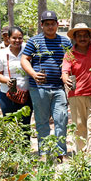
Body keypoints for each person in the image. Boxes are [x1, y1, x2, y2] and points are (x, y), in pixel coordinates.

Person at [21, 10, 72, 157]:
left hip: (59, 88)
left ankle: (60, 153)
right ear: (42, 25)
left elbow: (70, 61)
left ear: (57, 24)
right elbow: (24, 59)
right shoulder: (34, 41)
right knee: (42, 122)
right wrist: (33, 74)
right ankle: (44, 153)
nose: (50, 27)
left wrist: (66, 75)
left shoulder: (65, 42)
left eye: (53, 24)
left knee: (61, 120)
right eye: (47, 24)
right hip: (39, 88)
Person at [61, 23, 91, 155]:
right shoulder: (70, 54)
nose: (82, 38)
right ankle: (81, 154)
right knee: (79, 126)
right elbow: (65, 71)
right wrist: (65, 78)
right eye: (79, 36)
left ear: (89, 37)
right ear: (74, 38)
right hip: (76, 94)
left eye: (85, 35)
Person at [0, 26, 33, 131]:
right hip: (7, 95)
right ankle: (12, 147)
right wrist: (7, 81)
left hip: (26, 95)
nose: (17, 41)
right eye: (14, 38)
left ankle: (25, 147)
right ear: (8, 38)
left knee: (25, 125)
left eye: (20, 38)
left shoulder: (28, 50)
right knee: (9, 125)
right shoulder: (1, 53)